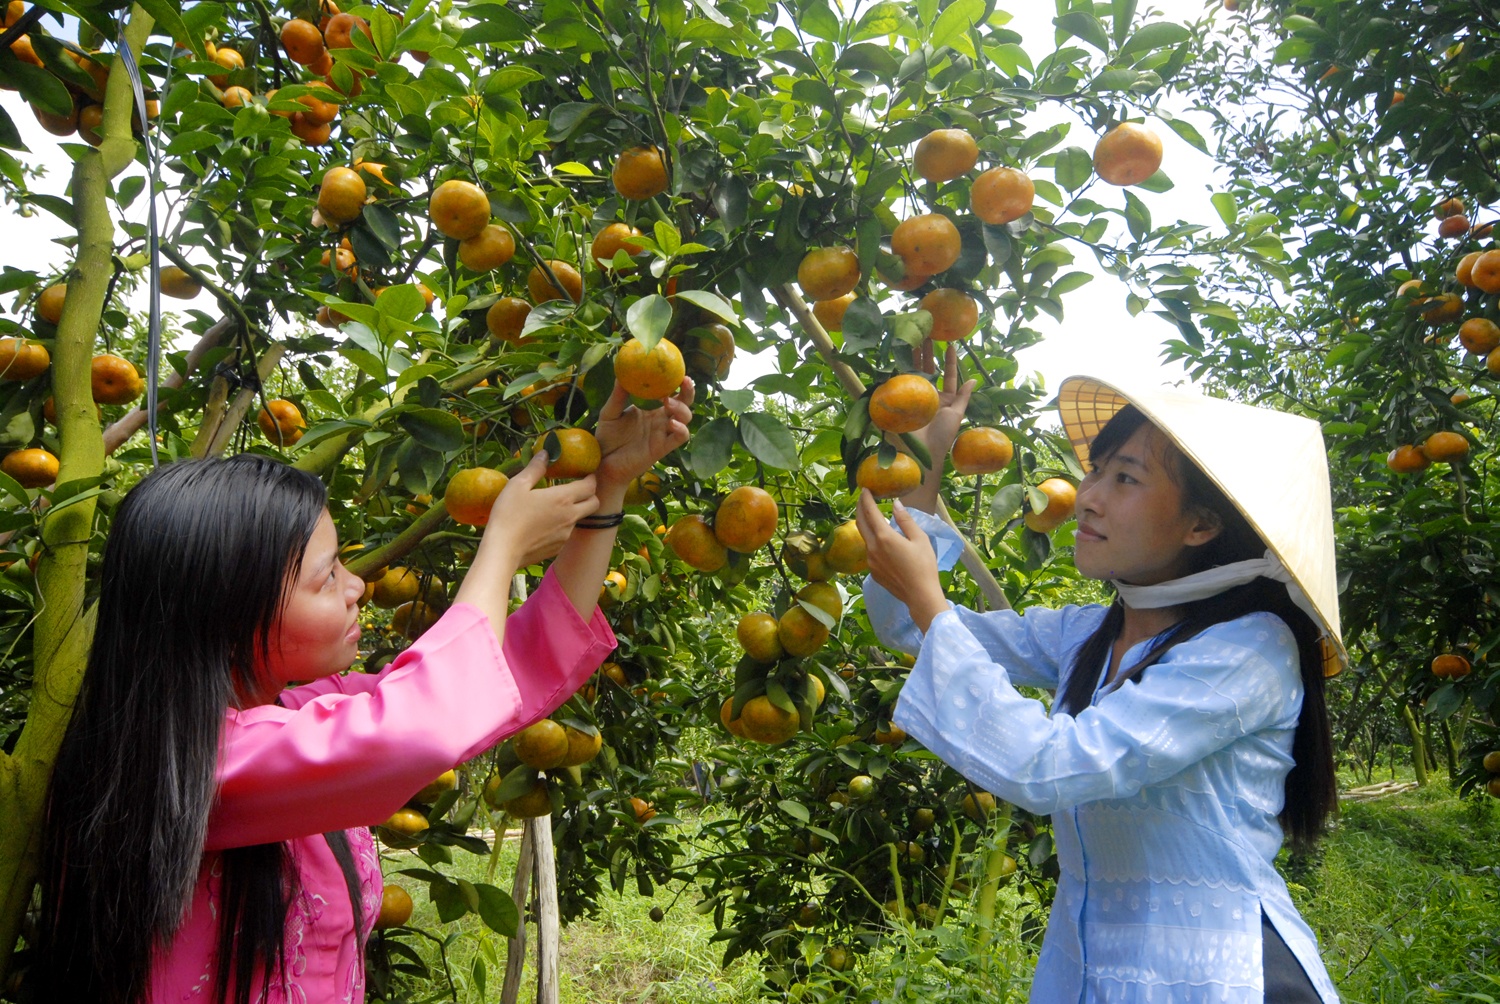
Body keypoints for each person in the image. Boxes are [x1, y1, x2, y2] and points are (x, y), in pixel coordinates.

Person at [32, 377, 693, 1004]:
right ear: (227, 617)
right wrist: (502, 544)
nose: (357, 587)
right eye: (326, 579)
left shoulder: (292, 714)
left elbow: (508, 665)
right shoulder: (201, 763)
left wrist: (606, 489)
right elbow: (427, 716)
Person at [855, 353, 1343, 1004]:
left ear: (1201, 525)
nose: (1088, 497)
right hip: (1093, 972)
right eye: (1095, 472)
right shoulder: (1091, 632)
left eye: (1126, 479)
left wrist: (929, 600)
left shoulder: (1250, 649)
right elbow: (910, 629)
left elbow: (1050, 766)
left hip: (1218, 979)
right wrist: (927, 461)